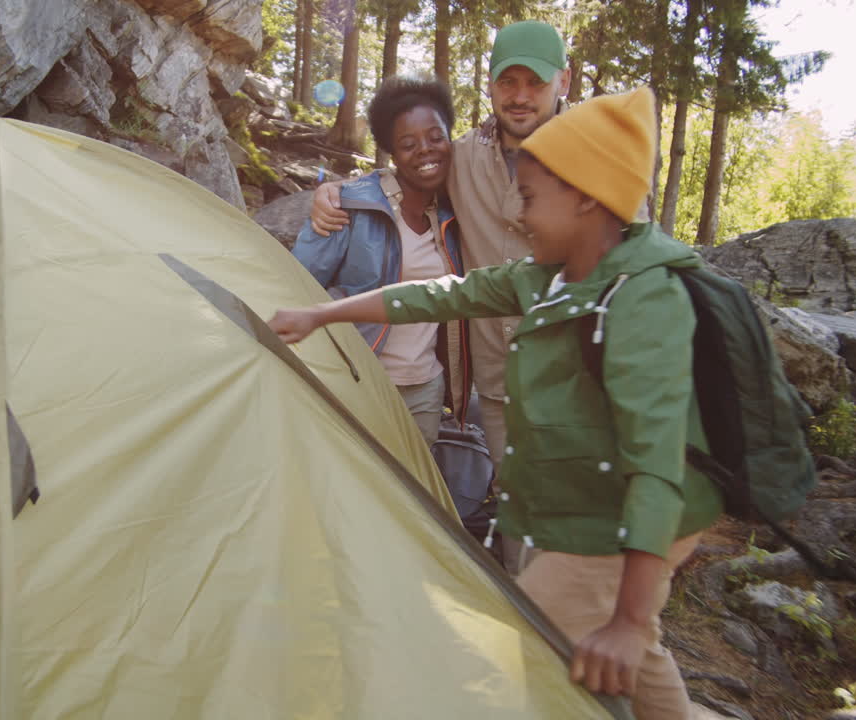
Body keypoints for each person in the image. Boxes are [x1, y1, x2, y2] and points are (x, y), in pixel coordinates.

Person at [268, 87, 723, 720]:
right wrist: (323, 311)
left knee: (530, 643)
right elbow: (439, 295)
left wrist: (628, 613)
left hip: (630, 519)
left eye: (533, 199)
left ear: (587, 198)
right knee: (631, 655)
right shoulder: (555, 275)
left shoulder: (646, 300)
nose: (520, 214)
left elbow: (658, 468)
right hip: (601, 504)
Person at [309, 20, 573, 466]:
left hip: (572, 382)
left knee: (582, 518)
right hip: (497, 384)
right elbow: (410, 168)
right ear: (490, 86)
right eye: (508, 82)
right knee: (515, 509)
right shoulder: (464, 156)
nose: (521, 95)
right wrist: (334, 192)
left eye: (536, 82)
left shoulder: (598, 156)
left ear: (563, 81)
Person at [290, 77, 471, 447]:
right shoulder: (352, 207)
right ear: (390, 152)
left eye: (436, 137)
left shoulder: (457, 212)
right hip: (359, 382)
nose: (425, 150)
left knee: (415, 496)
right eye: (408, 144)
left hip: (426, 389)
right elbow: (296, 285)